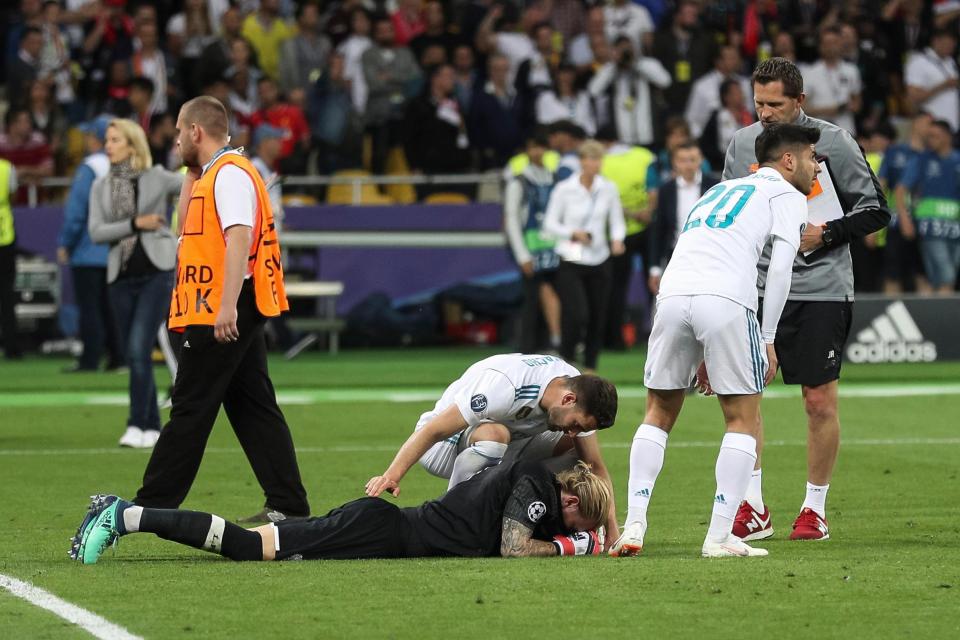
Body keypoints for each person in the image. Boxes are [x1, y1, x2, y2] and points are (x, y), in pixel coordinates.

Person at [611, 123, 821, 559]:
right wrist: (766, 337)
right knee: (742, 417)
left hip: (672, 295)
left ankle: (633, 525)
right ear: (788, 160)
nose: (816, 165)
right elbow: (781, 269)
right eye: (811, 157)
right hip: (726, 298)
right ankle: (720, 535)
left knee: (659, 410)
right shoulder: (788, 196)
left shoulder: (718, 190)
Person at [721, 58, 890, 542]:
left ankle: (814, 509)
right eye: (758, 104)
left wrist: (826, 234)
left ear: (800, 101)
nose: (766, 113)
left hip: (821, 288)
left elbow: (877, 210)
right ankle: (752, 506)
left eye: (775, 104)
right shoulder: (741, 144)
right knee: (745, 398)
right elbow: (732, 209)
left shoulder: (834, 142)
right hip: (754, 288)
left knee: (818, 402)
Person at [133, 96, 310, 524]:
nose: (174, 140)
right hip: (224, 301)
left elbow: (238, 239)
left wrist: (227, 306)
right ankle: (287, 504)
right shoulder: (211, 174)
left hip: (221, 304)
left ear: (196, 131)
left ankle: (148, 508)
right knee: (252, 404)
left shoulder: (229, 175)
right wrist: (192, 175)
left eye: (178, 131)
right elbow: (184, 233)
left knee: (191, 405)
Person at [71, 459, 611, 564]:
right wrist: (575, 545)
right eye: (576, 521)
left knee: (258, 539)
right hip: (381, 530)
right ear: (569, 502)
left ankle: (124, 514)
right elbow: (515, 548)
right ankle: (123, 515)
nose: (570, 529)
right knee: (246, 548)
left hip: (381, 526)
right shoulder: (537, 481)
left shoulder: (535, 479)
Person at [364, 353, 621, 543]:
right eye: (575, 424)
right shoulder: (504, 387)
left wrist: (612, 528)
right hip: (444, 448)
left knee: (580, 455)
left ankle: (524, 514)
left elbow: (595, 466)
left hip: (510, 443)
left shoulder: (577, 390)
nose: (574, 430)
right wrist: (392, 475)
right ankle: (454, 518)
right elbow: (434, 431)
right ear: (567, 399)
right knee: (495, 434)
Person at [88, 118, 183, 449]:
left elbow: (194, 183)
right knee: (136, 353)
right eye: (107, 139)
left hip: (157, 272)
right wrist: (136, 223)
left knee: (137, 347)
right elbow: (96, 232)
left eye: (115, 140)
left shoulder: (156, 176)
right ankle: (150, 426)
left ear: (132, 144)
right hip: (121, 276)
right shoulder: (100, 186)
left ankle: (137, 423)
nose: (108, 145)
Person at [543, 140, 626, 373]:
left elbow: (616, 220)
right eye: (590, 159)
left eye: (598, 159)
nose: (594, 164)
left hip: (599, 257)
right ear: (581, 161)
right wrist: (573, 233)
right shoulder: (564, 189)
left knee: (598, 315)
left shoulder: (607, 188)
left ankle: (590, 366)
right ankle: (566, 360)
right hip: (571, 258)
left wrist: (617, 239)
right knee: (577, 313)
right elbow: (550, 223)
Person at [57, 115, 121, 373]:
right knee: (111, 307)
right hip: (115, 248)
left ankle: (90, 359)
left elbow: (76, 211)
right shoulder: (124, 165)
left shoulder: (89, 168)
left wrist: (65, 242)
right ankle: (119, 357)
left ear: (97, 137)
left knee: (90, 307)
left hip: (88, 248)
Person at [503, 130, 561, 353]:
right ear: (527, 150)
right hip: (530, 246)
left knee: (552, 294)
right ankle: (527, 347)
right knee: (531, 299)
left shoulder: (553, 178)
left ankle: (549, 343)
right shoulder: (518, 182)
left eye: (541, 147)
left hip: (553, 247)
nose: (537, 152)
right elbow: (512, 219)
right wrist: (522, 255)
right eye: (533, 147)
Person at [647, 141, 720, 296]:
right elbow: (659, 229)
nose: (688, 165)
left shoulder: (716, 186)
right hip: (676, 256)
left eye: (692, 159)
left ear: (701, 160)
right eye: (683, 160)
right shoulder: (666, 189)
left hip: (709, 255)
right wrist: (654, 268)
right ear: (674, 162)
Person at [896, 119, 960, 295]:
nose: (930, 139)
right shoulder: (921, 160)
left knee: (946, 275)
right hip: (930, 227)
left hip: (956, 227)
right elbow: (901, 189)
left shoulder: (957, 160)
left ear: (948, 137)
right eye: (929, 136)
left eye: (935, 136)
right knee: (946, 274)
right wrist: (904, 218)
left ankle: (936, 315)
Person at [0, 157, 21, 360]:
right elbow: (13, 196)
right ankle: (11, 347)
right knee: (7, 294)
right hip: (5, 235)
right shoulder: (7, 168)